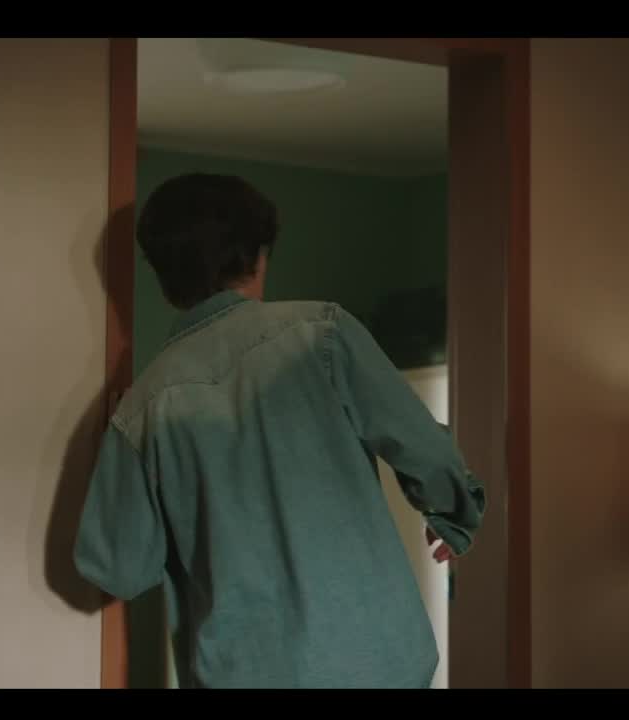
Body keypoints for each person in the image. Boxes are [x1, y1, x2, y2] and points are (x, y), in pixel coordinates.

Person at [73, 172, 486, 689]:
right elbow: (424, 449)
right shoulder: (322, 335)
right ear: (257, 257)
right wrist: (454, 512)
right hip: (378, 660)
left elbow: (119, 570)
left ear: (162, 275)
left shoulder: (144, 407)